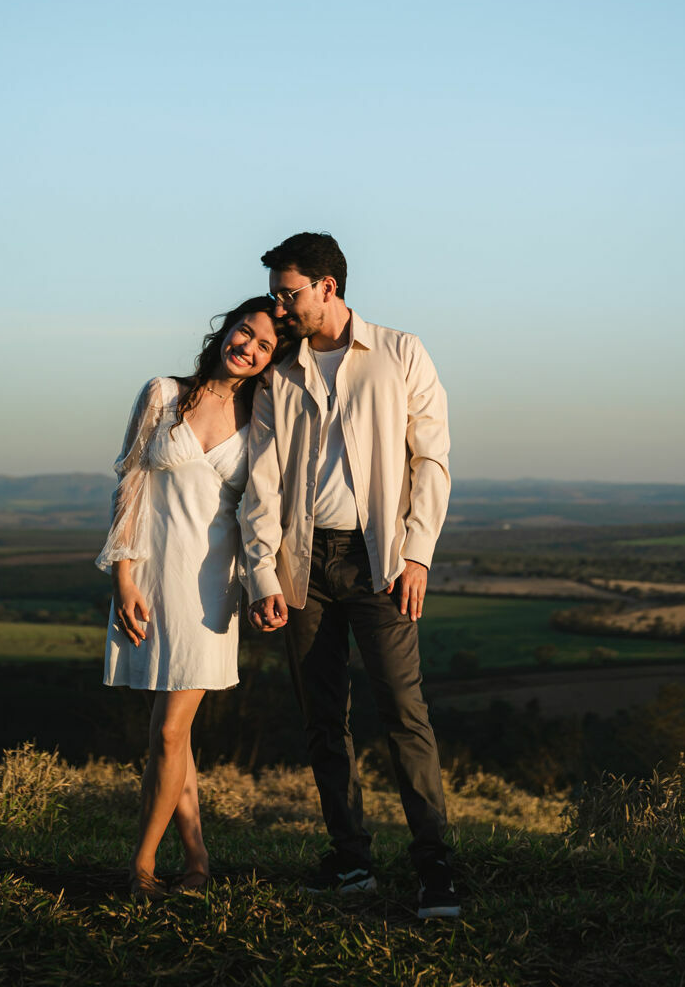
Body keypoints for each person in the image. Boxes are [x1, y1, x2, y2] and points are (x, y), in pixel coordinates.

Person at [240, 232, 460, 919]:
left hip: (381, 564)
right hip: (301, 566)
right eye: (277, 296)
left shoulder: (401, 352)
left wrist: (418, 554)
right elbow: (262, 483)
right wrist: (262, 575)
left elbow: (432, 460)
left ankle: (435, 867)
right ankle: (351, 860)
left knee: (404, 713)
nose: (280, 308)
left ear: (327, 287)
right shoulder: (280, 372)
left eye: (289, 294)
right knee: (321, 719)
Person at [96, 296, 279, 897]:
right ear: (225, 330)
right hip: (151, 577)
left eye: (264, 346)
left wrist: (264, 583)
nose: (248, 348)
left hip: (210, 585)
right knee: (170, 734)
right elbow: (129, 482)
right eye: (244, 332)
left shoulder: (262, 421)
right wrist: (123, 577)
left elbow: (263, 510)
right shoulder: (163, 394)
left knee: (171, 732)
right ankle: (197, 862)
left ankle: (142, 866)